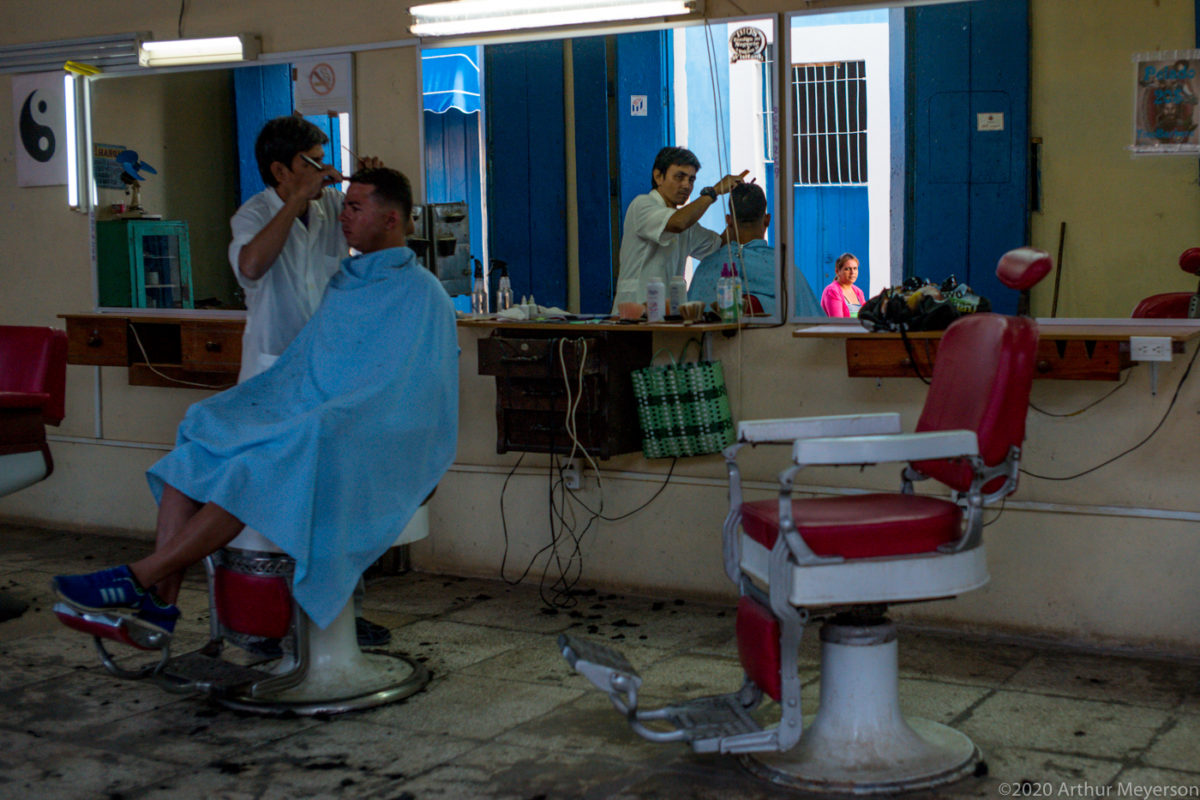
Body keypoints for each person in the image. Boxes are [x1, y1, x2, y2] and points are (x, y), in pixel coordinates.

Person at [52, 168, 459, 636]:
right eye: (344, 204)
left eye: (354, 207)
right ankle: (159, 606)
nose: (342, 215)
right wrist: (298, 408)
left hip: (370, 438)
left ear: (390, 220)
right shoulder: (346, 282)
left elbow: (410, 395)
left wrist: (323, 414)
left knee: (255, 468)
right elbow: (311, 367)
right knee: (198, 438)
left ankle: (138, 577)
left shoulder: (422, 293)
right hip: (320, 418)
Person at [229, 116, 388, 645]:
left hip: (326, 377)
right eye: (310, 162)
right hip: (272, 379)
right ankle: (263, 619)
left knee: (334, 502)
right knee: (271, 505)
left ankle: (344, 611)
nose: (323, 171)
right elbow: (252, 266)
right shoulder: (253, 214)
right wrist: (297, 199)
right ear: (280, 170)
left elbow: (372, 239)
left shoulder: (327, 211)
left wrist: (369, 188)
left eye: (325, 159)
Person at [611, 146, 749, 312]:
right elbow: (678, 223)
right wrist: (714, 192)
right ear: (658, 177)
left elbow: (719, 245)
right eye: (679, 177)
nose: (686, 185)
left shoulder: (685, 222)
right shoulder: (642, 205)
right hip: (633, 316)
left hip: (667, 316)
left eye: (691, 180)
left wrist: (740, 208)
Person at [687, 182, 820, 317]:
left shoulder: (706, 269)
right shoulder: (784, 270)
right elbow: (813, 323)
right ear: (767, 220)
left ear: (728, 220)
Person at [820, 252, 865, 317]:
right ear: (837, 271)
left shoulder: (858, 292)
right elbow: (838, 323)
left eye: (855, 268)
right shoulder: (832, 291)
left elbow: (866, 317)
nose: (852, 272)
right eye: (847, 269)